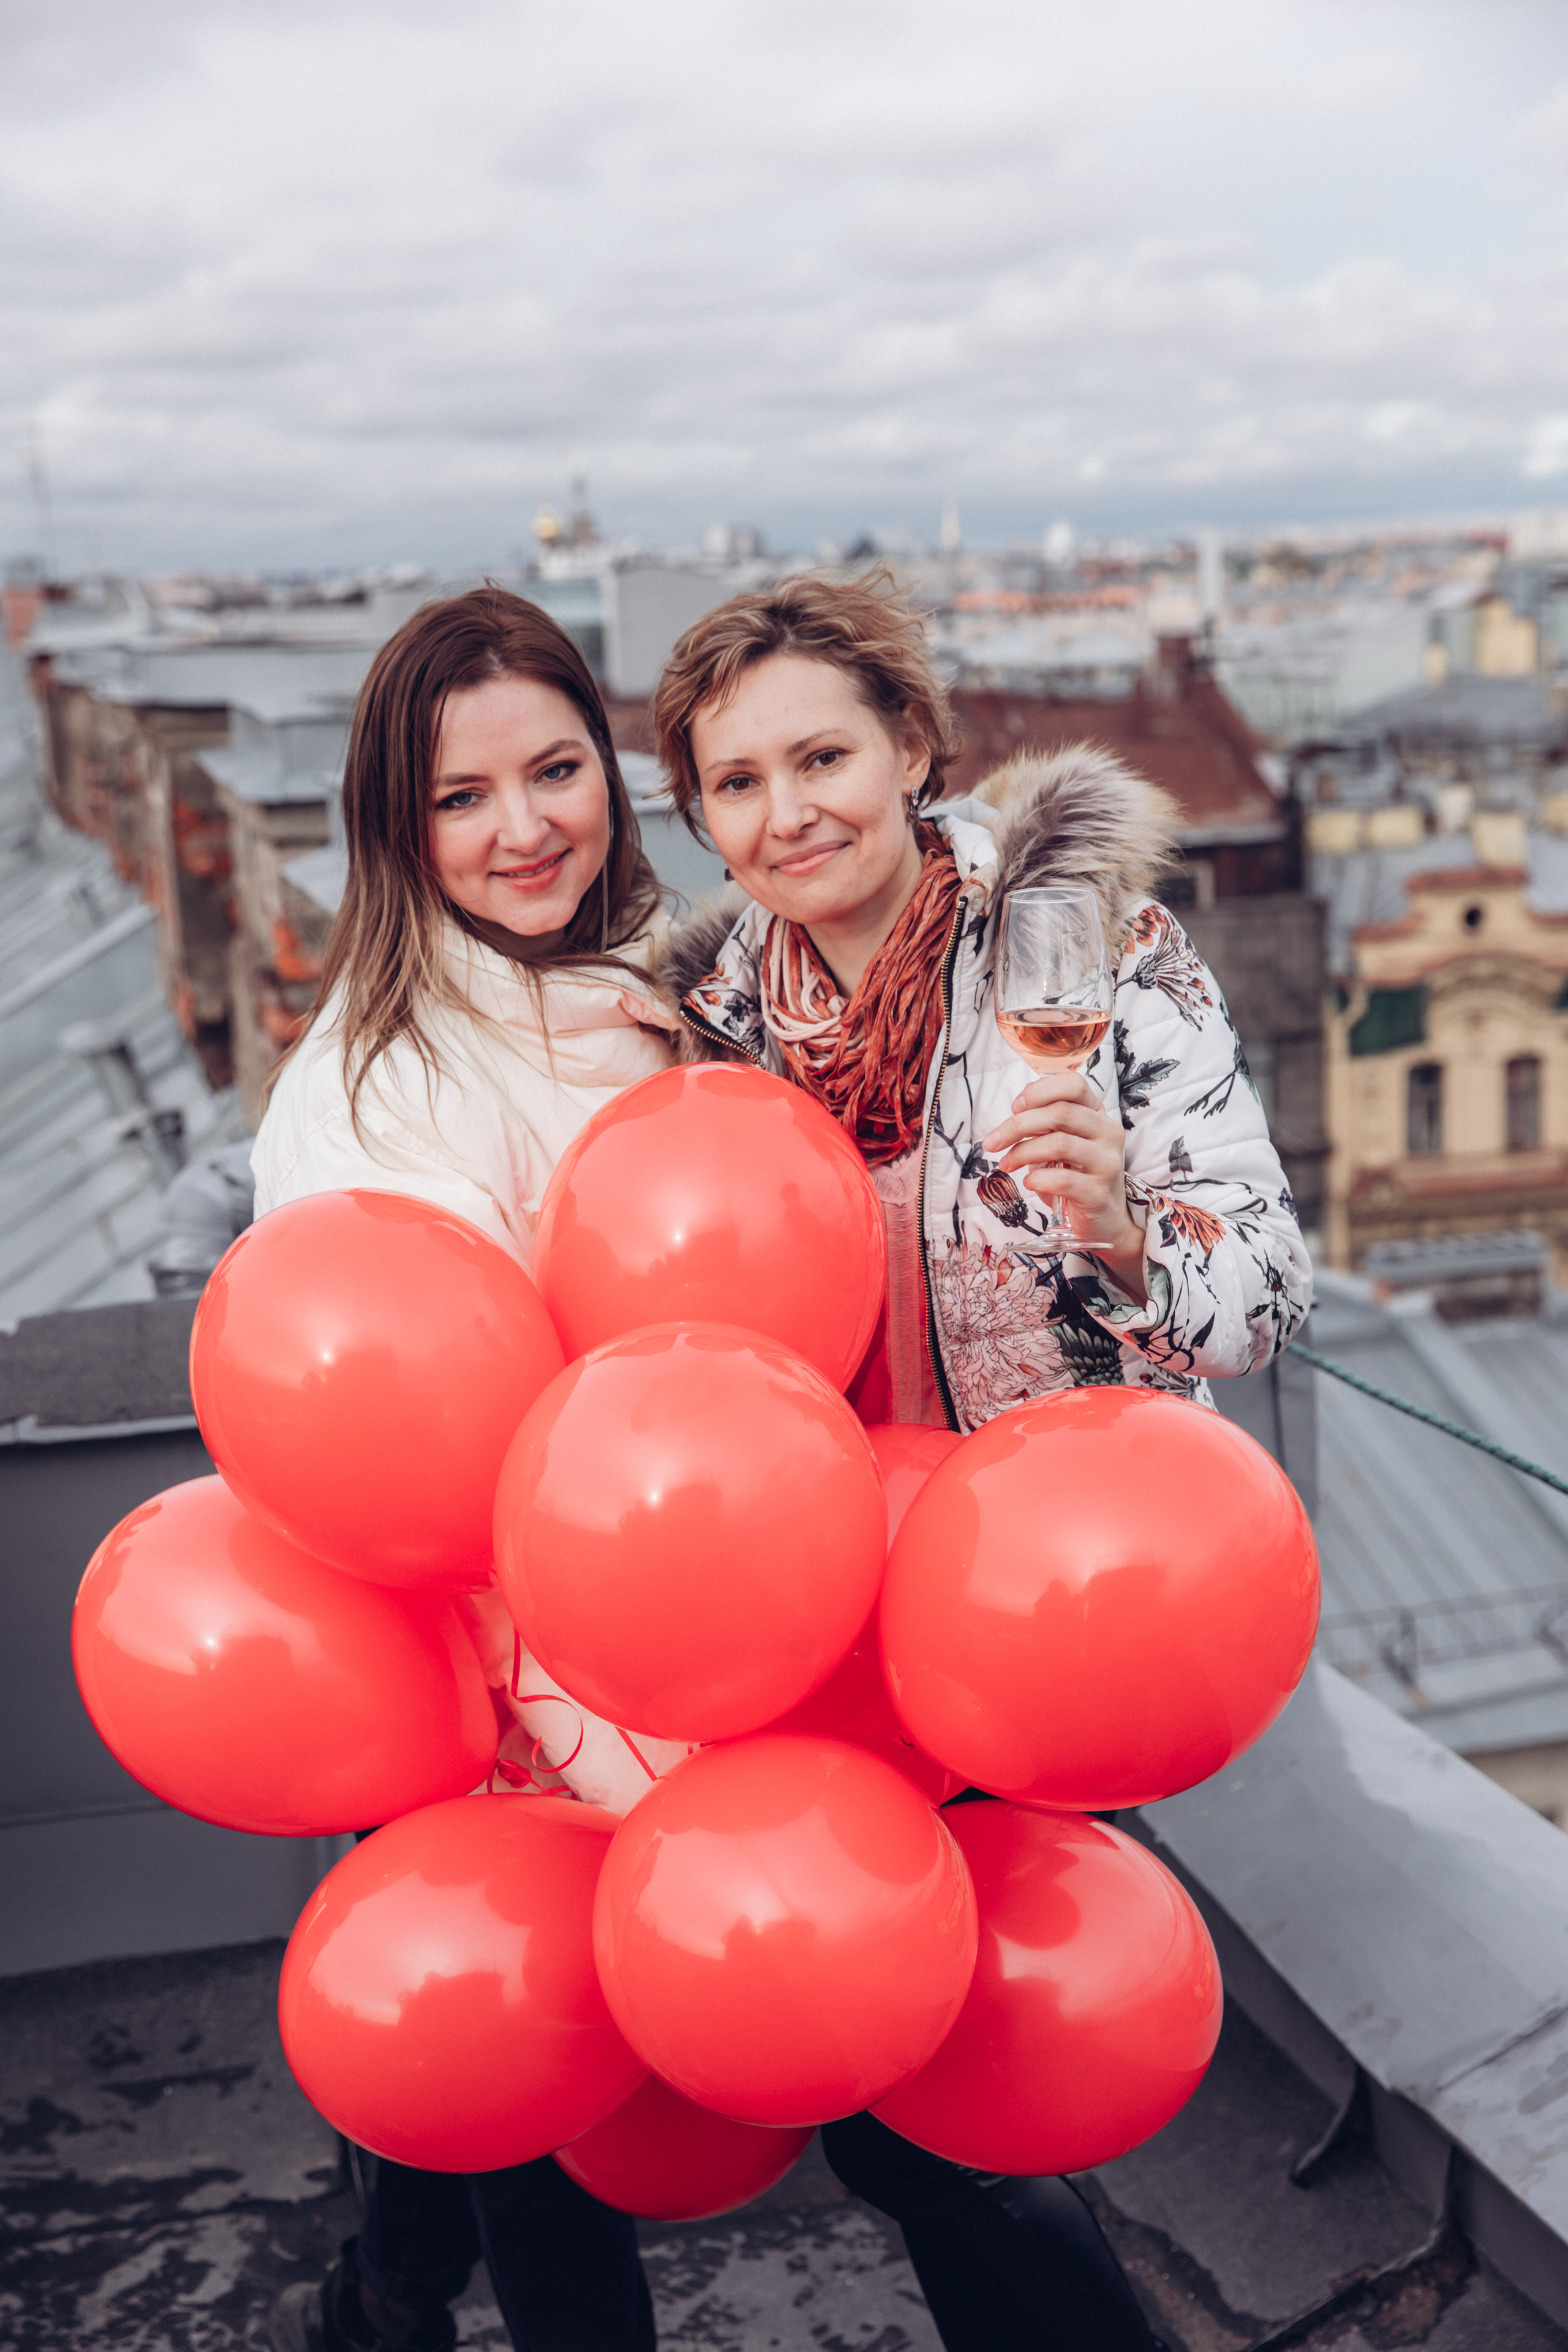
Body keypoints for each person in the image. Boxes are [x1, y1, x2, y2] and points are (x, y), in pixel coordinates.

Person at [652, 570, 1313, 2352]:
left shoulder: (1088, 963)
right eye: (735, 782)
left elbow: (1261, 1291)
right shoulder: (706, 1018)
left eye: (823, 756)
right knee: (905, 2095)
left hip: (1047, 1601)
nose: (788, 813)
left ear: (915, 747)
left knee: (970, 2083)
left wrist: (1120, 1241)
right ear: (701, 817)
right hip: (818, 1606)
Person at [261, 586, 685, 2352]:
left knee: (490, 2057)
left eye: (557, 770)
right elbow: (407, 1425)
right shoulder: (368, 1086)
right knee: (534, 2091)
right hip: (480, 1648)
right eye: (458, 798)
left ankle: (381, 2297)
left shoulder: (673, 990)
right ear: (392, 825)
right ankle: (400, 2292)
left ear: (612, 770)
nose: (524, 831)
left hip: (688, 1594)